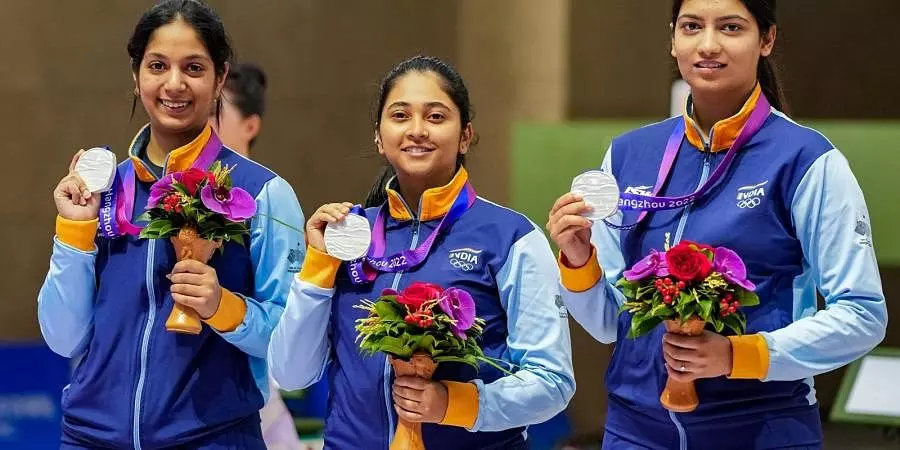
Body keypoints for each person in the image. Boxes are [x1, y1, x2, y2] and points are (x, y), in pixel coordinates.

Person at [547, 1, 887, 449]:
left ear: (766, 40)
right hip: (635, 431)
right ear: (673, 39)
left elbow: (862, 315)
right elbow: (611, 322)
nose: (708, 45)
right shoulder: (629, 155)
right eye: (692, 27)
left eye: (730, 27)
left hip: (760, 428)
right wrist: (578, 259)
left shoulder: (806, 160)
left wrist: (736, 355)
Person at [268, 55, 575, 450]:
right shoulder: (347, 236)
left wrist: (455, 404)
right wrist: (318, 266)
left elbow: (553, 381)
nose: (416, 130)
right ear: (379, 137)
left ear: (465, 135)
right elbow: (290, 373)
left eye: (435, 116)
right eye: (400, 116)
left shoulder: (511, 237)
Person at [39, 1, 304, 448]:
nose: (174, 84)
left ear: (220, 77)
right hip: (90, 436)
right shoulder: (102, 191)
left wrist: (223, 306)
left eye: (194, 68)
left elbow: (292, 353)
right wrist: (74, 232)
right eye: (157, 65)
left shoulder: (263, 194)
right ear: (136, 74)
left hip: (212, 437)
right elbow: (64, 337)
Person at [211, 61, 305, 450]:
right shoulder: (165, 193)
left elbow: (289, 326)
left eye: (217, 112)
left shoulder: (271, 198)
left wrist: (221, 306)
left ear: (251, 126)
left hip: (254, 408)